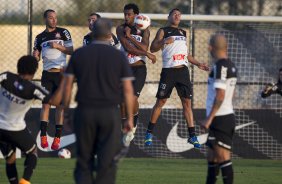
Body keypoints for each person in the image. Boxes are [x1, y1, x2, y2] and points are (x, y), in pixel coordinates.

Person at [63, 18, 134, 184]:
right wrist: (129, 117)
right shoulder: (118, 56)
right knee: (107, 163)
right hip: (109, 112)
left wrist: (65, 114)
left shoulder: (79, 54)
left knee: (84, 161)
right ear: (109, 34)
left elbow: (67, 87)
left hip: (85, 112)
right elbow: (128, 90)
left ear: (92, 32)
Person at [144, 8, 209, 147]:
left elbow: (186, 54)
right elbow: (153, 48)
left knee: (187, 103)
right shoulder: (163, 30)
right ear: (169, 17)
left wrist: (198, 64)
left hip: (183, 72)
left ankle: (192, 136)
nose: (177, 16)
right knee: (161, 102)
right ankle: (149, 133)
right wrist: (164, 41)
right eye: (174, 14)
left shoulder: (183, 33)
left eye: (179, 14)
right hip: (169, 72)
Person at [0, 55, 64, 184]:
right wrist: (63, 81)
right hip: (15, 129)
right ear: (34, 71)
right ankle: (24, 181)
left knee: (10, 159)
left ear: (18, 67)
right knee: (32, 152)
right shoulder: (33, 90)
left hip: (0, 128)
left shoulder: (5, 77)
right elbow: (56, 101)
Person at [33, 9, 73, 150]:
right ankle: (43, 135)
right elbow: (36, 57)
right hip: (47, 74)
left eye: (55, 18)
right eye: (51, 18)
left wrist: (58, 46)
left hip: (61, 74)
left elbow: (71, 50)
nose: (54, 20)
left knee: (60, 106)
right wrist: (35, 57)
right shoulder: (39, 37)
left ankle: (57, 137)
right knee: (46, 104)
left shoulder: (63, 32)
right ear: (45, 19)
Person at [116, 3, 156, 145]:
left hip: (139, 68)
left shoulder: (145, 29)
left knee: (132, 98)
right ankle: (124, 129)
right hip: (124, 69)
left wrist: (131, 37)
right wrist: (147, 54)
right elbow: (127, 48)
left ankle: (133, 125)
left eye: (129, 14)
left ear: (136, 15)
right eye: (125, 14)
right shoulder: (120, 28)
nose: (126, 16)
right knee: (122, 102)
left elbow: (145, 46)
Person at [201, 34, 237, 184]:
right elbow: (231, 93)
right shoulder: (230, 65)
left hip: (220, 118)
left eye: (210, 45)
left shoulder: (220, 66)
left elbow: (220, 95)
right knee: (212, 156)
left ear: (213, 47)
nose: (208, 48)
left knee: (223, 157)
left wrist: (209, 120)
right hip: (222, 116)